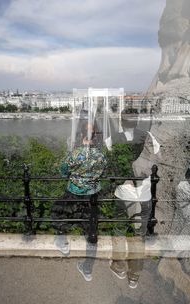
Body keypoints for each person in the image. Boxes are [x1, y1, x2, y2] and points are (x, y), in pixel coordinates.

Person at [109, 108, 160, 288]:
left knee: (119, 229)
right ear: (137, 121)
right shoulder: (148, 137)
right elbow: (157, 158)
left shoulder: (112, 139)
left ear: (122, 121)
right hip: (144, 193)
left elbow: (109, 163)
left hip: (123, 192)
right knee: (139, 235)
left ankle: (119, 266)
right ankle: (134, 275)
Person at [52, 123, 107, 281]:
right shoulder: (100, 156)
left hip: (74, 192)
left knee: (59, 213)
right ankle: (88, 269)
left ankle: (62, 244)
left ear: (80, 135)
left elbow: (63, 170)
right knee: (92, 232)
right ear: (96, 136)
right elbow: (104, 171)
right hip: (92, 196)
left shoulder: (75, 154)